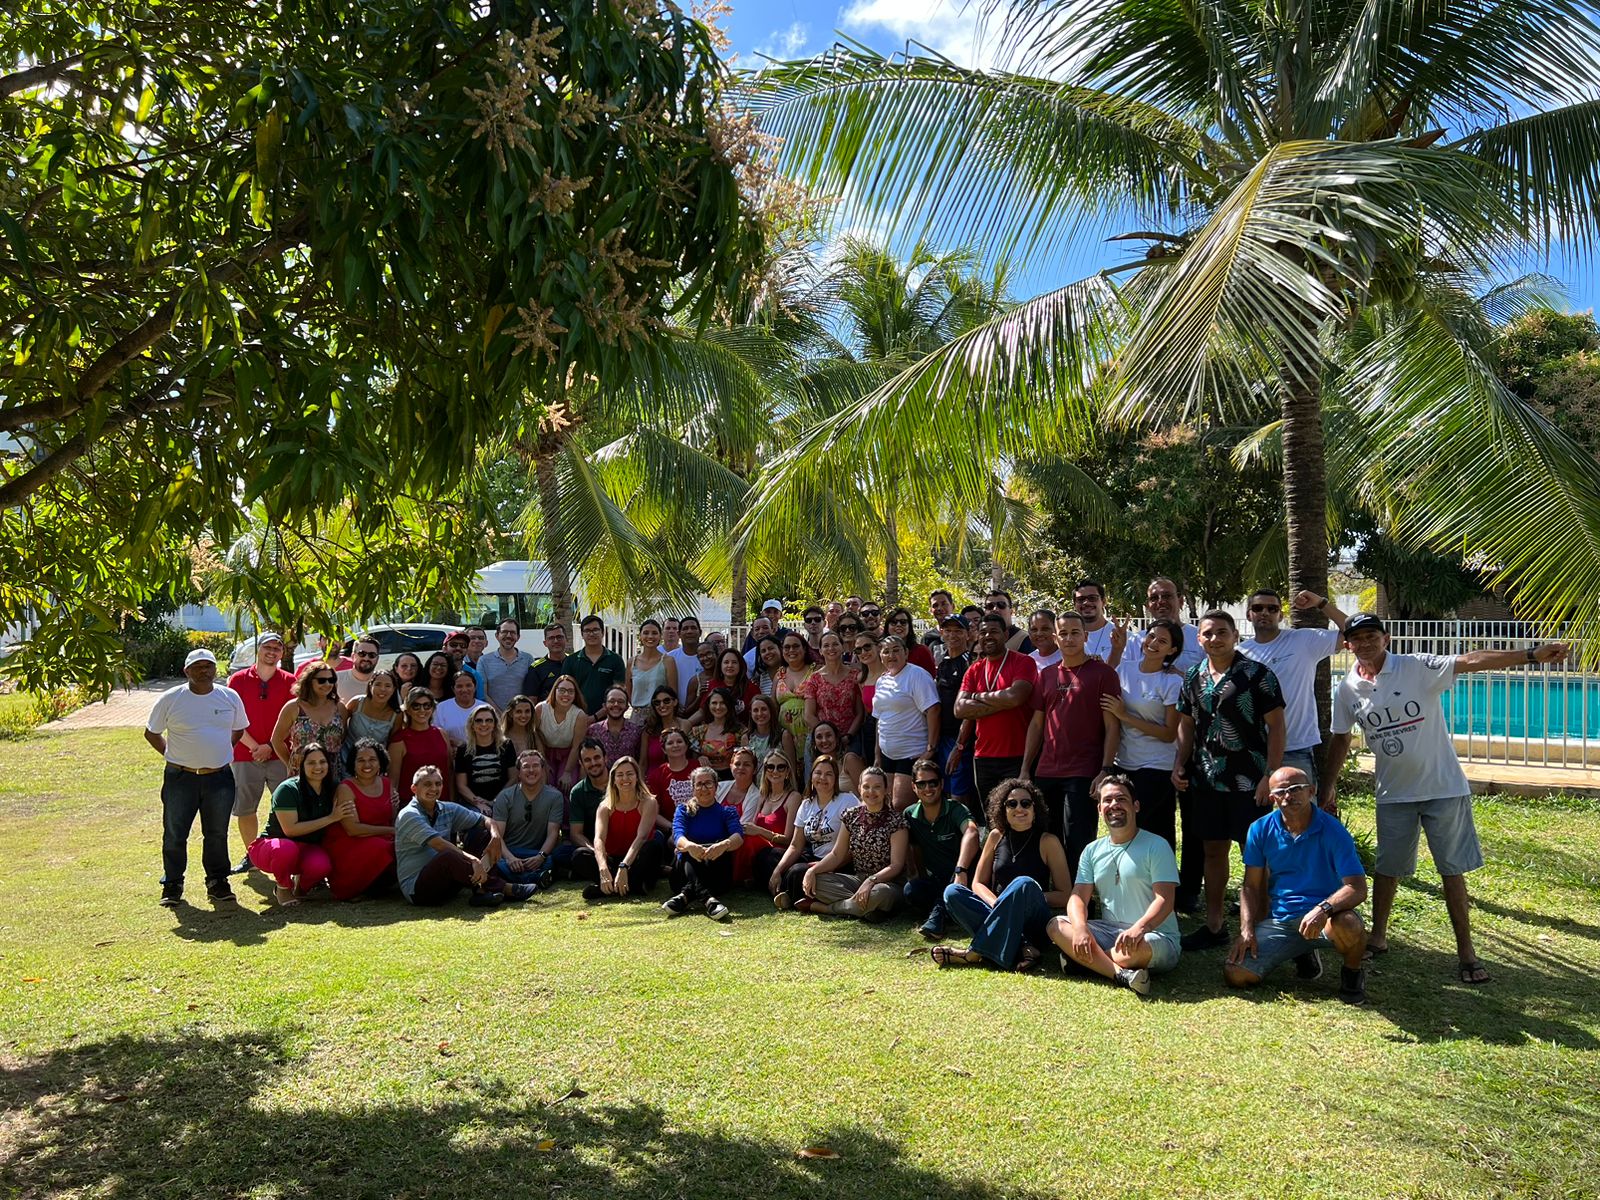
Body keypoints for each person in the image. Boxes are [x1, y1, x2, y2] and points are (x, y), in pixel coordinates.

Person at [1323, 614, 1569, 984]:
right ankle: (1378, 937)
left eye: (1372, 635)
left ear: (1386, 638)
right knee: (1388, 868)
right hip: (1393, 793)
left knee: (1450, 871)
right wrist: (1328, 785)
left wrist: (1531, 655)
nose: (1365, 643)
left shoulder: (1417, 667)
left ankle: (1466, 953)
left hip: (1443, 789)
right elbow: (1341, 738)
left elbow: (1471, 660)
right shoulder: (1347, 688)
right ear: (1348, 645)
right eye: (1357, 638)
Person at [1174, 610, 1286, 951]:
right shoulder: (1193, 675)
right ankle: (1215, 925)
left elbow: (1277, 727)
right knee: (1212, 850)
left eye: (1222, 632)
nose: (1215, 638)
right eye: (1208, 633)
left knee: (1255, 856)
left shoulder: (1257, 674)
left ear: (1236, 635)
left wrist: (1270, 774)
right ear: (1199, 639)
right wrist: (1180, 763)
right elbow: (1186, 724)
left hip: (1250, 782)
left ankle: (1263, 931)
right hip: (1206, 781)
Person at [1226, 767, 1369, 1004]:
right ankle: (1302, 951)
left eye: (1295, 789)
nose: (1288, 796)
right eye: (1280, 792)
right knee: (1236, 974)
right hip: (1281, 919)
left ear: (1311, 791)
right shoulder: (1259, 829)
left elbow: (1357, 887)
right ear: (1271, 798)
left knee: (1350, 925)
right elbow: (1250, 886)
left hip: (1328, 918)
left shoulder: (1333, 830)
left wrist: (1323, 909)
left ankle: (1352, 975)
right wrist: (1246, 929)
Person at [1047, 774, 1182, 995]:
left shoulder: (1156, 845)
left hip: (1155, 935)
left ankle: (1083, 962)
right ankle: (1120, 974)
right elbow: (1078, 897)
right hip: (1111, 932)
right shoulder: (1092, 851)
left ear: (1136, 806)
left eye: (1121, 799)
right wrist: (1080, 928)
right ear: (1100, 809)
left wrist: (1139, 928)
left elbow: (1165, 900)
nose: (1114, 805)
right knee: (1056, 925)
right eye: (1107, 800)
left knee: (1137, 949)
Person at [145, 648, 249, 905]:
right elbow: (151, 733)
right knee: (175, 833)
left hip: (219, 777)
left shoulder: (229, 697)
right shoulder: (171, 698)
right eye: (198, 666)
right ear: (186, 671)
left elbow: (238, 729)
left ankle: (217, 881)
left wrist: (220, 751)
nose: (204, 671)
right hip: (180, 778)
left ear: (215, 669)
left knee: (217, 833)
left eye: (208, 666)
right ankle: (172, 884)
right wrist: (173, 755)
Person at [933, 778, 1071, 970]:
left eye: (1025, 803)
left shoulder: (1048, 841)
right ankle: (1023, 946)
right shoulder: (996, 836)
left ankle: (974, 953)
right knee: (952, 892)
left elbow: (1065, 895)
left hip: (1033, 920)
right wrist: (998, 903)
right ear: (1003, 809)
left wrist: (1020, 898)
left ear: (1035, 809)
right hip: (995, 908)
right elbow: (978, 883)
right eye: (1012, 804)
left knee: (1023, 883)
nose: (1019, 808)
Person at [1021, 611, 1121, 876]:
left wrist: (1106, 769)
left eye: (1075, 633)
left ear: (1086, 636)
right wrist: (1025, 769)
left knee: (1078, 839)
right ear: (1056, 638)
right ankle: (1050, 892)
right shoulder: (1047, 675)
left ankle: (1081, 894)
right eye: (1063, 633)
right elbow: (1037, 725)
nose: (1069, 638)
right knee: (1046, 836)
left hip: (1084, 771)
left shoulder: (1104, 673)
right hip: (1047, 770)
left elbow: (1113, 726)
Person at [1240, 589, 1349, 786]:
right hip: (1252, 750)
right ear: (1249, 614)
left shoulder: (1303, 641)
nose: (1265, 612)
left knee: (1300, 806)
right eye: (1258, 608)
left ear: (1281, 615)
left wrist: (1320, 602)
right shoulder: (1240, 653)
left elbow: (1353, 632)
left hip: (1296, 748)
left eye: (1272, 608)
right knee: (1254, 807)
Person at [1100, 618, 1184, 855]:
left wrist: (1124, 715)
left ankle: (1164, 876)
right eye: (1151, 636)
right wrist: (1117, 648)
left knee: (1154, 831)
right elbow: (1105, 678)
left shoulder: (1172, 681)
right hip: (1124, 763)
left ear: (1172, 650)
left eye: (1163, 641)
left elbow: (1169, 733)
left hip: (1156, 766)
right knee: (1124, 828)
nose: (1153, 643)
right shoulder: (1125, 669)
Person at [393, 765, 533, 906]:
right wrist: (473, 860)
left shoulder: (447, 808)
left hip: (448, 883)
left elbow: (486, 821)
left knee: (484, 835)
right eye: (427, 784)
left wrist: (496, 837)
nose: (434, 788)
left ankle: (481, 892)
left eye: (438, 784)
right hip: (419, 891)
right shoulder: (409, 815)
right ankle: (503, 887)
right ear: (414, 789)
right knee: (447, 854)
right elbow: (439, 845)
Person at [796, 766, 908, 919]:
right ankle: (865, 908)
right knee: (818, 881)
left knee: (880, 894)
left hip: (887, 883)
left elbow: (896, 865)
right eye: (866, 787)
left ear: (886, 789)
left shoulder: (896, 821)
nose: (871, 791)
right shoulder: (851, 816)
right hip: (858, 880)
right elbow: (836, 854)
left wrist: (871, 881)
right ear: (859, 788)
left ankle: (827, 908)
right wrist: (812, 871)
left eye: (877, 787)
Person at [225, 631, 295, 875]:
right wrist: (255, 747)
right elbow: (232, 717)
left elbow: (294, 719)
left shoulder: (290, 681)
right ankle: (252, 855)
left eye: (277, 648)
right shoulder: (238, 680)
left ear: (282, 653)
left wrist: (271, 746)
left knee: (288, 805)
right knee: (246, 808)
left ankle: (289, 852)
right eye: (268, 647)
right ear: (258, 649)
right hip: (246, 754)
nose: (272, 652)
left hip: (280, 755)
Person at [247, 743, 351, 906]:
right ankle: (283, 887)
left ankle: (300, 888)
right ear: (301, 765)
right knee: (286, 849)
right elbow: (290, 830)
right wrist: (331, 818)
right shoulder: (287, 789)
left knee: (321, 866)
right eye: (311, 762)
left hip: (307, 847)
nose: (318, 767)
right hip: (272, 847)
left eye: (322, 762)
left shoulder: (334, 787)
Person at [954, 613, 1039, 805]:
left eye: (993, 631)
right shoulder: (974, 670)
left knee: (1020, 813)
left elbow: (1016, 697)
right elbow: (959, 710)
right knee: (992, 814)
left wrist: (976, 697)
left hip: (1017, 755)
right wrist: (1003, 701)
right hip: (983, 757)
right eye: (983, 632)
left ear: (1005, 634)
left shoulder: (1023, 662)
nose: (988, 636)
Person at [902, 758, 980, 940]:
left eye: (933, 783)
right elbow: (914, 847)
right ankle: (949, 912)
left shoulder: (956, 809)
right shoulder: (909, 814)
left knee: (951, 888)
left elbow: (972, 833)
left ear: (942, 784)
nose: (928, 788)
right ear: (913, 787)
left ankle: (937, 920)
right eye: (921, 784)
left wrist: (961, 870)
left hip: (965, 876)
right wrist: (919, 874)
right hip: (937, 879)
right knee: (911, 891)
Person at [769, 755, 859, 905]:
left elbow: (851, 852)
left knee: (797, 871)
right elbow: (795, 845)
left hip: (837, 862)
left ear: (835, 779)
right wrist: (777, 870)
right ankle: (788, 889)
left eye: (828, 774)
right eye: (818, 773)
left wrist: (820, 867)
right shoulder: (806, 804)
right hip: (813, 856)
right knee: (769, 856)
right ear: (811, 777)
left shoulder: (847, 801)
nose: (822, 778)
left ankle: (789, 893)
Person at [574, 756, 665, 900]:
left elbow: (641, 837)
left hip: (636, 859)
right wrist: (602, 867)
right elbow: (598, 839)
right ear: (614, 779)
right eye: (620, 775)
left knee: (653, 847)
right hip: (613, 860)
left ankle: (610, 889)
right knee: (579, 855)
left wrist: (624, 866)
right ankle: (631, 887)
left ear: (637, 777)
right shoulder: (604, 806)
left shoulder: (649, 802)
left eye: (629, 774)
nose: (625, 779)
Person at [663, 767, 744, 920]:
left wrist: (723, 845)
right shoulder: (683, 810)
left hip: (717, 875)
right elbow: (678, 836)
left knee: (717, 845)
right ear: (693, 788)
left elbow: (738, 837)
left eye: (708, 783)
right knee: (688, 849)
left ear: (716, 786)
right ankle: (708, 900)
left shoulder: (727, 812)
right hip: (682, 875)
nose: (704, 788)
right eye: (699, 784)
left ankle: (685, 896)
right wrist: (689, 846)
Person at [323, 738, 397, 901]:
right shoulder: (345, 788)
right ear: (353, 764)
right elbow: (353, 829)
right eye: (361, 760)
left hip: (380, 837)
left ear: (380, 762)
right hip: (350, 842)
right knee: (384, 847)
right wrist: (392, 831)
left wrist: (394, 813)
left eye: (372, 759)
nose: (367, 764)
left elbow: (390, 819)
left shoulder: (387, 783)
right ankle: (357, 886)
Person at [872, 635, 939, 811]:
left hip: (912, 753)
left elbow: (933, 710)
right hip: (887, 755)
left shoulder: (917, 675)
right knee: (885, 805)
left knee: (900, 805)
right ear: (881, 656)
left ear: (906, 653)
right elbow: (880, 718)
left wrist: (930, 749)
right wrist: (877, 755)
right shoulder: (882, 680)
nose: (891, 655)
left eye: (896, 650)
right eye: (886, 652)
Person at [490, 749, 564, 888]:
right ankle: (534, 878)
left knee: (550, 860)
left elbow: (553, 833)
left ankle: (517, 880)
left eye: (535, 765)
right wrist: (510, 858)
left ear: (543, 770)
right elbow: (497, 836)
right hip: (509, 851)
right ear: (518, 772)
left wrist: (540, 856)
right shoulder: (504, 797)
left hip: (535, 852)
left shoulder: (555, 797)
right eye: (526, 767)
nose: (531, 770)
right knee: (496, 862)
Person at [270, 662, 347, 777]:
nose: (327, 684)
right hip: (302, 774)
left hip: (333, 773)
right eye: (321, 680)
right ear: (309, 681)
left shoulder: (339, 707)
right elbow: (276, 740)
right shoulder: (293, 707)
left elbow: (343, 737)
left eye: (331, 680)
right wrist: (290, 764)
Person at [736, 750, 800, 887]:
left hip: (778, 853)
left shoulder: (793, 797)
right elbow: (752, 828)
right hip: (760, 851)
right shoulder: (763, 796)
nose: (775, 771)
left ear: (787, 771)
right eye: (770, 767)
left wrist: (760, 831)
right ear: (765, 771)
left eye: (780, 767)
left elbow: (789, 840)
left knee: (763, 852)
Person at [800, 629, 862, 758]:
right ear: (820, 651)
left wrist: (847, 736)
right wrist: (827, 737)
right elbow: (808, 715)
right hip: (822, 742)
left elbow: (859, 713)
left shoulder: (855, 676)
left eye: (835, 644)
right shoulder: (814, 678)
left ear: (842, 647)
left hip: (849, 738)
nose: (831, 648)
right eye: (826, 645)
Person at [388, 690, 454, 807]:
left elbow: (449, 772)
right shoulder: (399, 740)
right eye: (416, 706)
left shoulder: (441, 734)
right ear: (408, 710)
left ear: (432, 708)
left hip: (443, 805)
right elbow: (393, 782)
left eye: (427, 705)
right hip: (412, 807)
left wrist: (453, 803)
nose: (422, 710)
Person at [934, 614, 975, 800]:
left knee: (959, 796)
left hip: (961, 740)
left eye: (958, 631)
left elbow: (970, 709)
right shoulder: (942, 662)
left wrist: (960, 745)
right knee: (945, 792)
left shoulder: (969, 663)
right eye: (948, 630)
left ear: (967, 634)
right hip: (942, 738)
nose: (952, 635)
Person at [1125, 577, 1204, 671]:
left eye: (1167, 596)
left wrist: (1183, 677)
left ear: (1181, 601)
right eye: (1154, 598)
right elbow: (1124, 675)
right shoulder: (1135, 641)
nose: (1161, 601)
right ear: (1148, 606)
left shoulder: (1200, 637)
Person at [453, 703, 516, 817]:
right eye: (478, 721)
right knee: (480, 820)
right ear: (472, 725)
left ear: (495, 724)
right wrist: (478, 803)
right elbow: (461, 785)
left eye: (489, 720)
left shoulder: (506, 745)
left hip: (503, 799)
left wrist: (495, 801)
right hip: (473, 803)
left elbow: (513, 778)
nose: (484, 724)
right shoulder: (463, 749)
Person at [535, 674, 591, 789]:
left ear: (575, 694)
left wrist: (567, 772)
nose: (566, 694)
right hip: (544, 752)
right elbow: (535, 735)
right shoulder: (540, 709)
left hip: (568, 755)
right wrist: (543, 761)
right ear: (554, 691)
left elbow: (576, 746)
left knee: (566, 784)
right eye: (562, 690)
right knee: (545, 781)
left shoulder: (579, 715)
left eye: (570, 691)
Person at [344, 669, 402, 775]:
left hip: (373, 767)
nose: (382, 689)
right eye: (378, 684)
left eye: (388, 686)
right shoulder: (356, 703)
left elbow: (392, 745)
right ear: (370, 685)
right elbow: (341, 728)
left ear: (394, 689)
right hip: (346, 759)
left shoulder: (397, 715)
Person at [565, 738, 611, 867]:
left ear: (605, 758)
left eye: (597, 757)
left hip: (624, 841)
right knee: (563, 853)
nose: (593, 763)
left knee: (655, 838)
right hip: (594, 844)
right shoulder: (578, 791)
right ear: (581, 763)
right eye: (587, 760)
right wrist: (597, 853)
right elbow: (576, 834)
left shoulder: (620, 780)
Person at [772, 631, 817, 759]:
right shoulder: (779, 675)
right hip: (786, 737)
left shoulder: (815, 671)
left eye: (796, 646)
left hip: (811, 734)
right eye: (787, 647)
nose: (791, 650)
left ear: (804, 648)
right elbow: (773, 706)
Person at [647, 727, 699, 835]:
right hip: (672, 829)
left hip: (700, 824)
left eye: (679, 741)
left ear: (686, 745)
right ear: (664, 749)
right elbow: (653, 813)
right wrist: (674, 828)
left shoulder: (699, 767)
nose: (675, 745)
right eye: (670, 743)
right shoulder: (656, 775)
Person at [479, 618, 535, 713]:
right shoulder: (484, 661)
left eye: (512, 632)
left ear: (518, 637)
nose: (508, 635)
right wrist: (501, 715)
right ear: (497, 635)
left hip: (520, 717)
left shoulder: (528, 659)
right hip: (495, 717)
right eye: (504, 632)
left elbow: (531, 692)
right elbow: (483, 693)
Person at [628, 619, 678, 716]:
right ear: (640, 636)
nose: (650, 636)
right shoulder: (632, 662)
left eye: (654, 633)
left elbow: (673, 693)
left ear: (660, 636)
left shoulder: (668, 661)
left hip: (660, 715)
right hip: (637, 717)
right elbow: (629, 691)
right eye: (646, 633)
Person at [690, 687, 744, 777]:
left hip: (732, 778)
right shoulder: (699, 731)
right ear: (708, 705)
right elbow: (692, 759)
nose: (718, 707)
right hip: (705, 778)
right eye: (714, 703)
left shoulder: (740, 731)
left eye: (722, 703)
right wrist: (699, 758)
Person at [696, 648, 758, 720]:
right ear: (720, 665)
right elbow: (702, 711)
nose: (730, 665)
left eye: (734, 662)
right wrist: (689, 722)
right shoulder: (711, 685)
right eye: (726, 662)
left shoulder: (752, 688)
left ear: (740, 665)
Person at [590, 685, 644, 766]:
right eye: (612, 701)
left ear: (627, 707)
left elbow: (641, 761)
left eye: (621, 702)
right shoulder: (593, 730)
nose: (616, 704)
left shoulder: (636, 731)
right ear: (604, 706)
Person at [640, 685, 687, 773]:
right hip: (653, 778)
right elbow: (643, 763)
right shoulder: (648, 730)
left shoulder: (683, 724)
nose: (662, 705)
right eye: (657, 702)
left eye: (666, 701)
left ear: (675, 702)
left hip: (680, 777)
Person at [521, 623, 569, 702]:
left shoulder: (575, 662)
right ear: (545, 643)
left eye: (559, 637)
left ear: (566, 640)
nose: (556, 641)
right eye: (551, 638)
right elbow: (532, 700)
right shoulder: (536, 668)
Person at [1071, 579, 1116, 662]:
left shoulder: (1122, 637)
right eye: (1081, 599)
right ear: (1074, 604)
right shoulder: (1066, 638)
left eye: (1092, 598)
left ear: (1103, 601)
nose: (1086, 603)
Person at [716, 745, 761, 824]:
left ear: (754, 770)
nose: (741, 767)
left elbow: (744, 826)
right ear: (731, 767)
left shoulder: (756, 796)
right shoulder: (719, 787)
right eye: (737, 764)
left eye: (746, 764)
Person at [667, 615, 705, 709]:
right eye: (685, 628)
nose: (689, 631)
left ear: (700, 632)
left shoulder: (708, 658)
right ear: (679, 634)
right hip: (676, 711)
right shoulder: (670, 658)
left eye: (693, 628)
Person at [434, 669, 480, 746]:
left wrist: (462, 745)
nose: (464, 690)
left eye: (468, 685)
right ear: (453, 689)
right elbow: (435, 735)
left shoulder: (485, 707)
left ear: (475, 687)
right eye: (459, 686)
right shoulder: (441, 708)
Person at [884, 608, 937, 674]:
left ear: (909, 627)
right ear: (887, 626)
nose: (898, 625)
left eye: (903, 622)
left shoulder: (922, 651)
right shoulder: (879, 651)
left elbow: (930, 676)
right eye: (894, 622)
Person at [442, 630, 484, 701]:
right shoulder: (437, 671)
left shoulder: (474, 674)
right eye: (454, 645)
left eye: (463, 646)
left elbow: (480, 701)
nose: (458, 648)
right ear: (444, 648)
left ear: (467, 650)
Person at [744, 694, 783, 765]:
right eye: (755, 710)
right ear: (751, 713)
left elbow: (791, 767)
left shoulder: (783, 735)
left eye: (764, 709)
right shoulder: (746, 738)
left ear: (771, 711)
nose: (760, 713)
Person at [923, 590, 955, 661]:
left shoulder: (963, 634)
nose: (939, 608)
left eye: (944, 604)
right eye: (935, 605)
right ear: (931, 610)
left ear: (952, 606)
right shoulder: (927, 638)